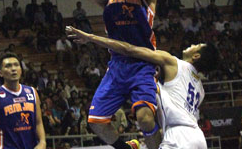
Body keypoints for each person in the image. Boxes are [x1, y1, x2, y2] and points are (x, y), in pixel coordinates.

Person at [67, 26, 220, 149]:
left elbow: (129, 50)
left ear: (196, 56)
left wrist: (90, 38)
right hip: (198, 138)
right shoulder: (200, 89)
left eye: (197, 45)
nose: (192, 45)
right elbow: (172, 97)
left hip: (178, 137)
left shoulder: (173, 62)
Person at [79, 0, 159, 149]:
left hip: (143, 64)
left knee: (144, 118)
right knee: (95, 122)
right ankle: (127, 148)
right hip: (116, 66)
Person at [0, 53, 46, 149]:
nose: (13, 69)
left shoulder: (32, 92)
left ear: (21, 70)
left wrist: (42, 142)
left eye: (16, 65)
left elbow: (38, 122)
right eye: (8, 66)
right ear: (0, 73)